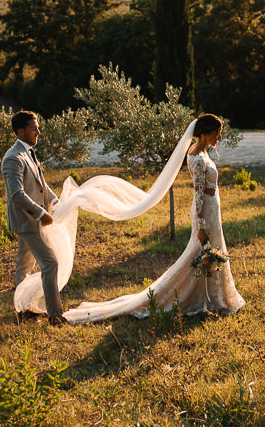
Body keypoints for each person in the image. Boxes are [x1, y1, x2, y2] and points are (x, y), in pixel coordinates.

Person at [16, 113, 244, 324]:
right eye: (217, 133)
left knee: (208, 251)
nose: (220, 137)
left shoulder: (202, 152)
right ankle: (192, 297)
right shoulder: (195, 156)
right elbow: (198, 192)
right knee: (199, 253)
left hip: (212, 210)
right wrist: (202, 224)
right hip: (205, 213)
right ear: (204, 133)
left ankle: (214, 296)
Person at [1, 110, 65, 325]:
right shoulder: (13, 158)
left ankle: (23, 308)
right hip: (28, 221)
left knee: (24, 266)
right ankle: (55, 315)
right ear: (20, 131)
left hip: (33, 220)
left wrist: (54, 201)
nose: (38, 131)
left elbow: (40, 184)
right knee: (50, 263)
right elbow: (17, 194)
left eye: (37, 127)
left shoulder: (28, 153)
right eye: (33, 128)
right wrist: (41, 213)